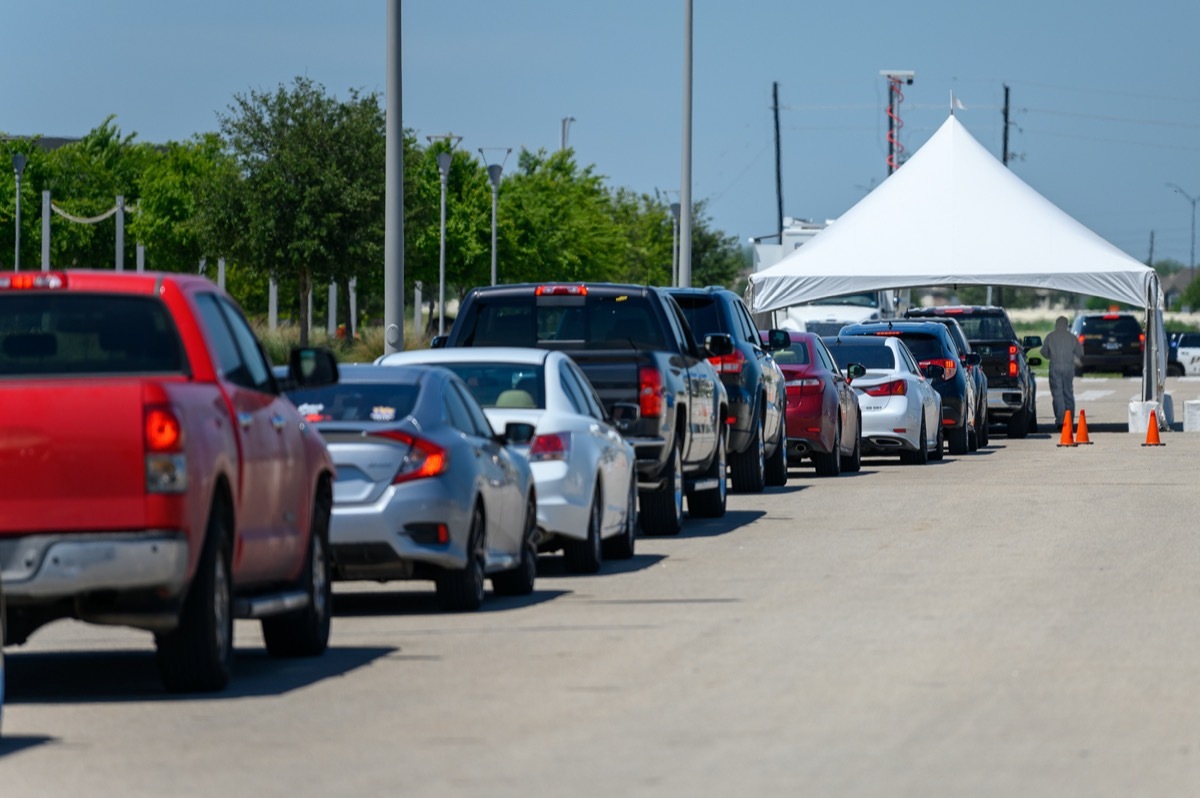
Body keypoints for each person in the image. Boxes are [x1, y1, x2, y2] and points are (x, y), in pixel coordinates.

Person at [1041, 316, 1085, 428]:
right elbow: (1080, 352)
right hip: (1069, 367)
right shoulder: (1072, 337)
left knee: (1057, 394)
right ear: (1066, 325)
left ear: (1056, 324)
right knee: (1068, 393)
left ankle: (1061, 420)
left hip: (1055, 367)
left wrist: (1052, 355)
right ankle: (1069, 419)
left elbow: (1044, 352)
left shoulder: (1050, 336)